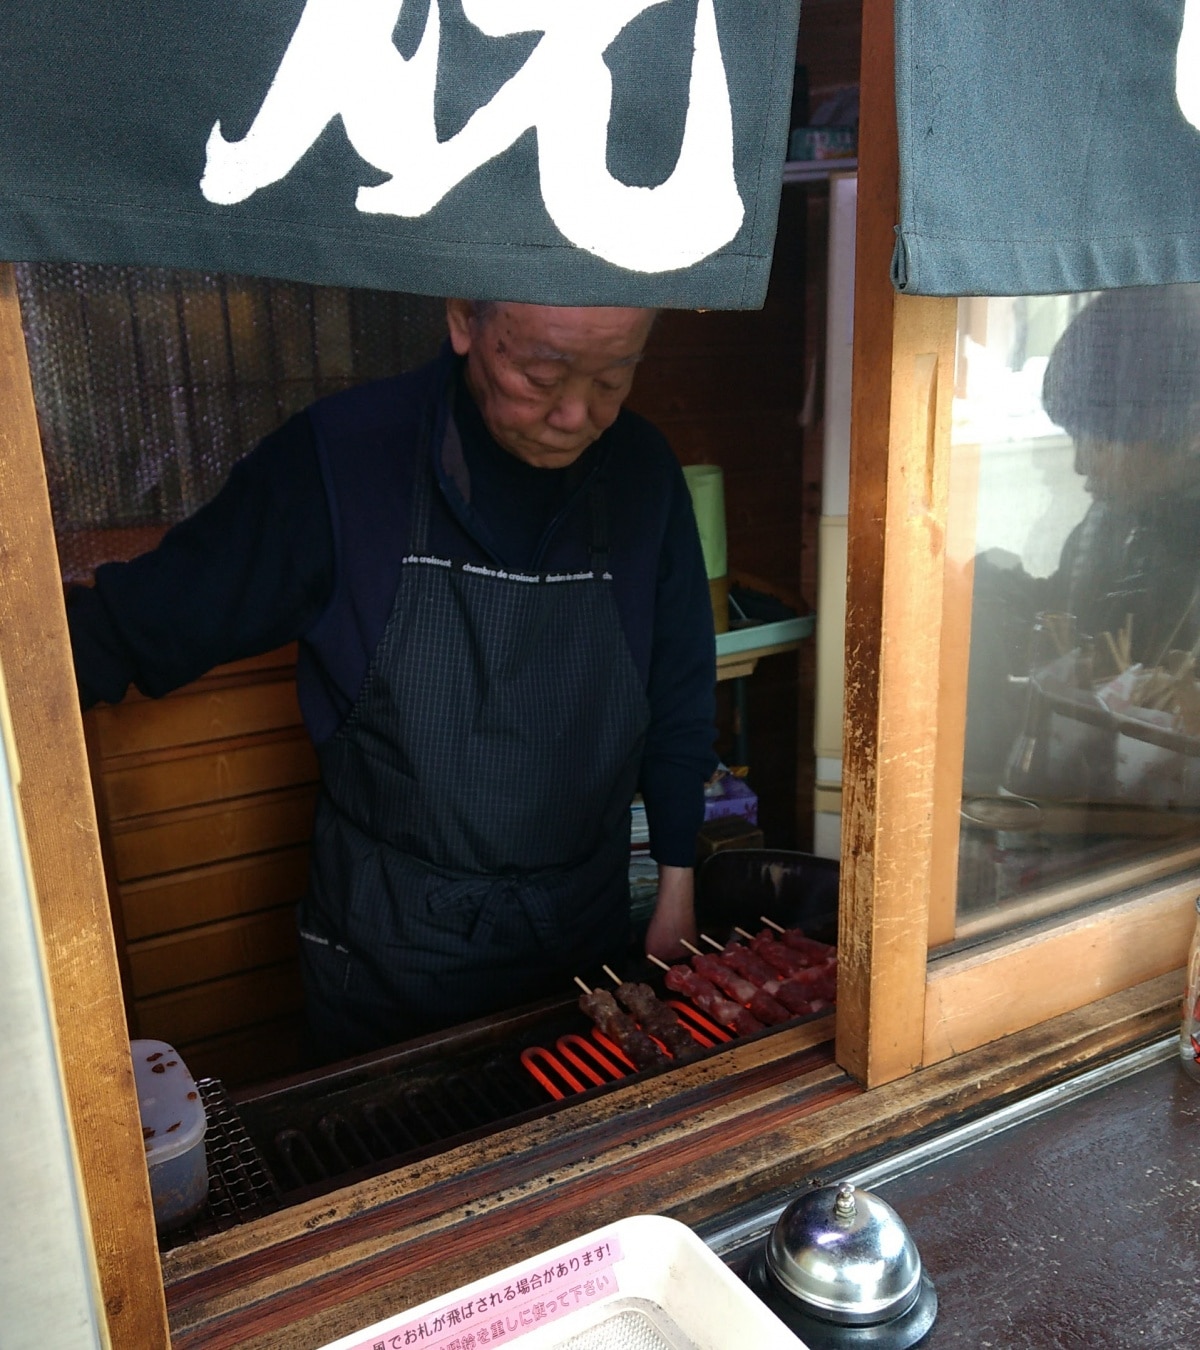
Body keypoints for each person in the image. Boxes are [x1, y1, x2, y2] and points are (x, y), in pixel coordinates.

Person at [68, 300, 717, 1060]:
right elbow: (134, 627)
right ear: (463, 322)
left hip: (581, 935)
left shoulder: (643, 472)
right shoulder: (341, 461)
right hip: (394, 949)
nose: (575, 413)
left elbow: (679, 690)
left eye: (613, 379)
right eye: (540, 375)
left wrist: (678, 884)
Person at [964, 284, 1200, 801]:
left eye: (1096, 438)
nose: (1078, 464)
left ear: (1178, 428)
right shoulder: (1113, 522)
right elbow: (1080, 623)